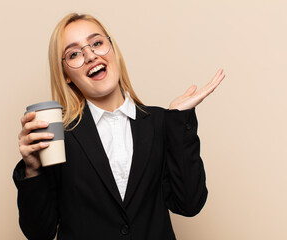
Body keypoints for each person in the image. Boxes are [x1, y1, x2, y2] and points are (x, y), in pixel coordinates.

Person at [13, 13, 225, 240]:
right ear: (66, 75)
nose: (90, 55)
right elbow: (39, 232)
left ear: (112, 50)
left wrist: (179, 121)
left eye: (96, 43)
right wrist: (33, 170)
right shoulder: (57, 137)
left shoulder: (159, 123)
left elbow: (189, 204)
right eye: (74, 54)